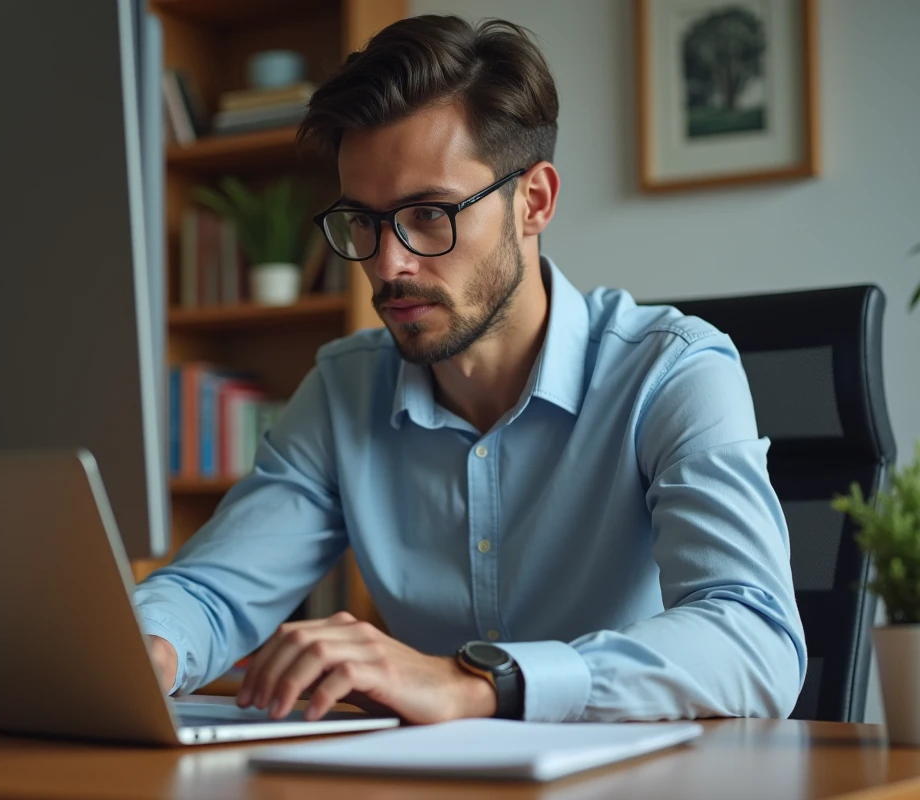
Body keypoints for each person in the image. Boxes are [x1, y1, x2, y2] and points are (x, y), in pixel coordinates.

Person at [134, 15, 806, 724]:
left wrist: (482, 685)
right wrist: (151, 648)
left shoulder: (673, 372)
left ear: (534, 202)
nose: (387, 264)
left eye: (428, 214)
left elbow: (754, 639)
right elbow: (212, 593)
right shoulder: (344, 387)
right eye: (362, 221)